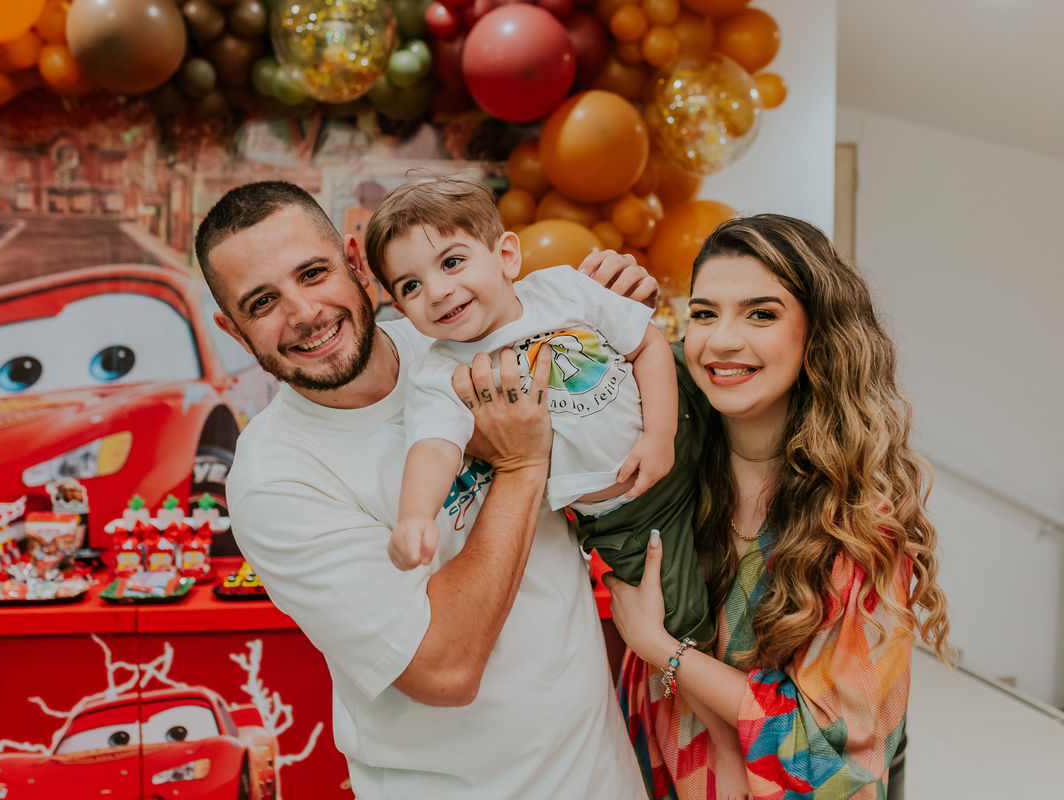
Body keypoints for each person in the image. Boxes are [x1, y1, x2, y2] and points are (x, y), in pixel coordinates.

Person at [195, 180, 650, 799]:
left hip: (603, 775)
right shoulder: (274, 479)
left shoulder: (459, 331)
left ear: (356, 264)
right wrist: (518, 466)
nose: (303, 313)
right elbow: (444, 668)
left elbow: (612, 401)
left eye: (313, 273)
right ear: (232, 328)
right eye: (261, 303)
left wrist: (616, 304)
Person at [364, 173, 746, 793]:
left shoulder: (563, 289)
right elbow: (431, 448)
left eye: (452, 261)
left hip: (675, 435)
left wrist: (660, 438)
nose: (437, 290)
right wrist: (415, 516)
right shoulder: (442, 374)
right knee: (681, 615)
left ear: (506, 255)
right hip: (625, 513)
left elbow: (647, 344)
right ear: (399, 307)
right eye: (411, 285)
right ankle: (726, 739)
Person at [603, 214, 953, 800]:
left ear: (817, 335)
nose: (721, 340)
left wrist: (662, 649)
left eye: (760, 314)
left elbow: (829, 761)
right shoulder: (666, 472)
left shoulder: (860, 528)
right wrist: (600, 315)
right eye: (704, 313)